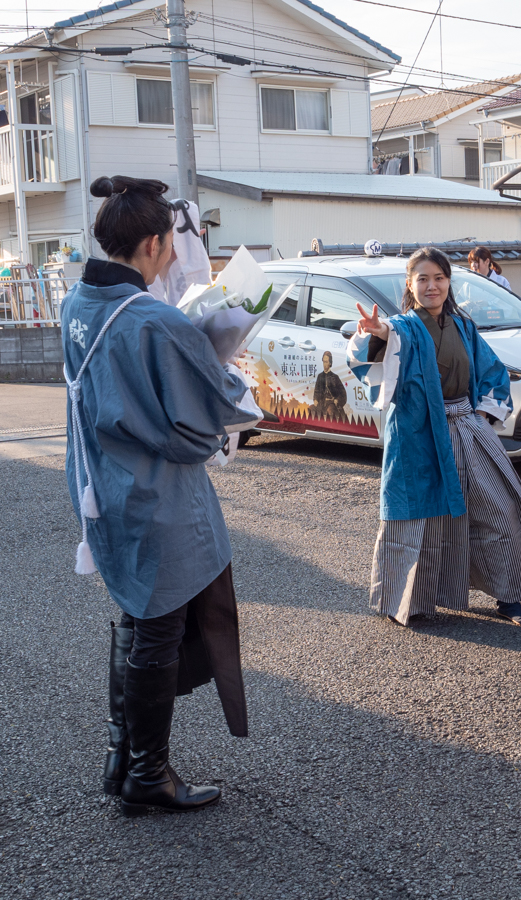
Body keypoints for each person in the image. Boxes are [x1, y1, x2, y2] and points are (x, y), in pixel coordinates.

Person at [63, 175, 258, 815]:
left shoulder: (76, 304)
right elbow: (207, 414)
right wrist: (230, 368)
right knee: (159, 627)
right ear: (152, 242)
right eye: (171, 243)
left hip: (103, 485)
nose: (174, 254)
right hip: (156, 496)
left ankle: (124, 754)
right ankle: (147, 771)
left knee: (135, 614)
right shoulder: (149, 318)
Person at [347, 247, 521, 627]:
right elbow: (373, 354)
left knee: (497, 509)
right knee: (418, 515)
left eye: (439, 278)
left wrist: (480, 413)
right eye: (423, 279)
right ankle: (410, 599)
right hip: (417, 433)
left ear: (449, 282)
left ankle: (509, 597)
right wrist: (376, 333)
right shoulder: (402, 327)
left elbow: (492, 371)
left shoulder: (464, 327)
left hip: (467, 425)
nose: (432, 286)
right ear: (410, 285)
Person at [313, 350, 348, 420]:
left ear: (330, 363)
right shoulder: (320, 376)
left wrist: (337, 400)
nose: (324, 364)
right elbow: (316, 391)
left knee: (330, 412)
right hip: (321, 403)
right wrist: (315, 399)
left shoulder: (335, 377)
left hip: (331, 403)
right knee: (310, 410)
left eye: (326, 362)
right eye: (323, 362)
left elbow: (343, 394)